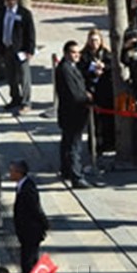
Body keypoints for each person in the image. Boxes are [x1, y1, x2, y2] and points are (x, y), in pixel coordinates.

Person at [55, 40, 92, 187]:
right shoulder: (65, 69)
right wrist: (87, 98)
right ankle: (76, 176)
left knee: (68, 143)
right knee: (74, 146)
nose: (76, 55)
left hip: (73, 113)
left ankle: (66, 170)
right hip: (72, 113)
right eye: (73, 52)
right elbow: (73, 94)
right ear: (66, 53)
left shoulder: (72, 67)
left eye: (78, 53)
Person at [0, 0, 35, 112]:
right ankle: (15, 98)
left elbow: (30, 33)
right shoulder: (2, 12)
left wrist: (30, 50)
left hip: (21, 50)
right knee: (11, 76)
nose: (10, 2)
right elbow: (0, 30)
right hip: (7, 49)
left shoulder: (24, 14)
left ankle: (26, 102)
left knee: (24, 77)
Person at [9, 159, 49, 273]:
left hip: (31, 232)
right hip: (25, 232)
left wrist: (44, 224)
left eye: (12, 171)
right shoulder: (20, 186)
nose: (10, 173)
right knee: (30, 261)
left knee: (28, 263)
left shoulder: (28, 188)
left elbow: (36, 209)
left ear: (19, 172)